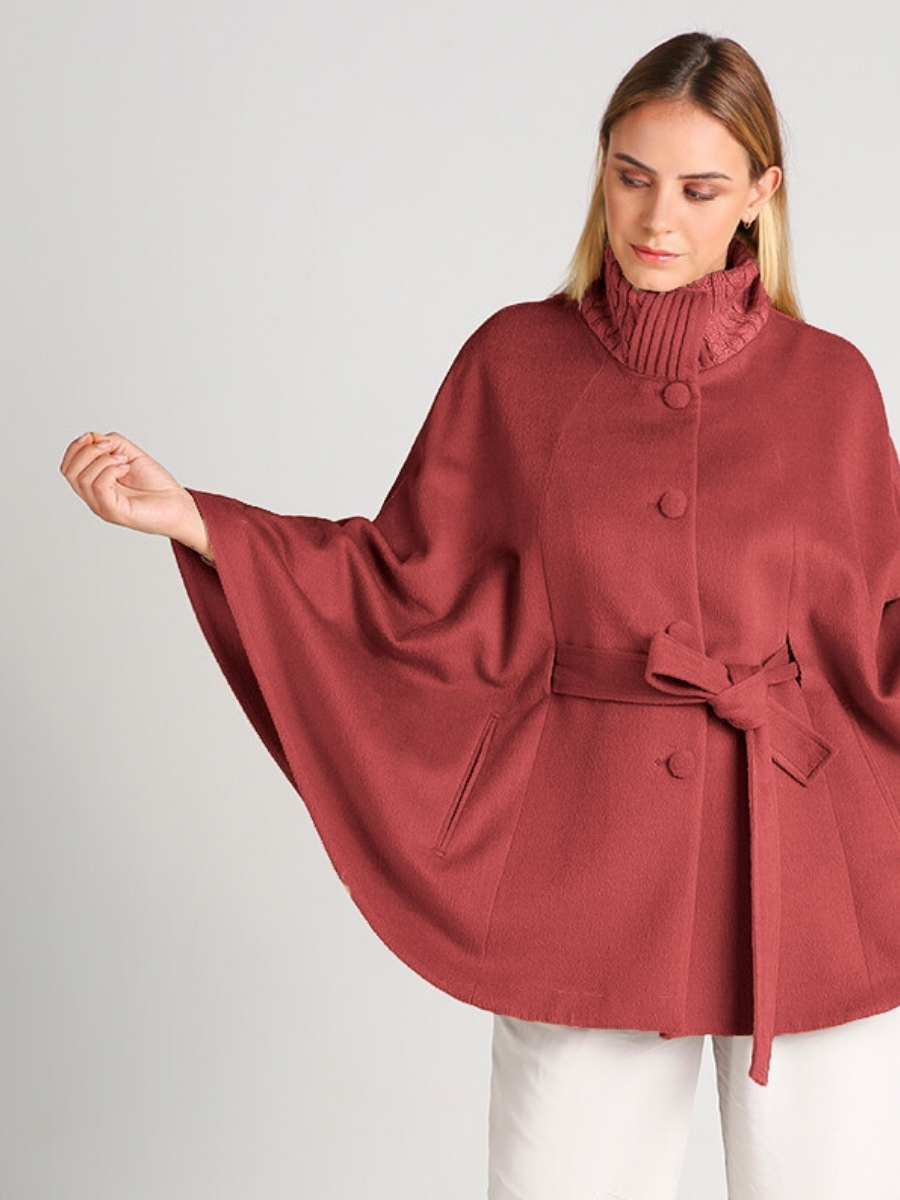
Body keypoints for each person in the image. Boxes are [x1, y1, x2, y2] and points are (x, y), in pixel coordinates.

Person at [60, 30, 900, 1200]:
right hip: (588, 872)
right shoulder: (516, 363)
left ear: (761, 196)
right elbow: (405, 586)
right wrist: (206, 522)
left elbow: (878, 633)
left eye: (701, 189)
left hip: (809, 873)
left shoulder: (833, 386)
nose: (658, 217)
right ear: (601, 165)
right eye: (632, 175)